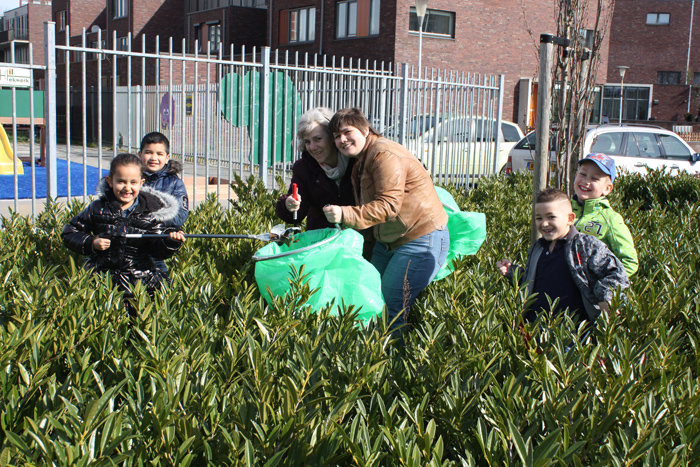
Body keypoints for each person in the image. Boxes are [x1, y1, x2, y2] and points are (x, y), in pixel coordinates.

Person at [323, 108, 450, 331]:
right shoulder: (362, 157)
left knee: (390, 312)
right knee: (369, 301)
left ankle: (393, 364)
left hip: (419, 239)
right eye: (336, 136)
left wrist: (345, 214)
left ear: (364, 129)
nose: (342, 140)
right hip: (390, 241)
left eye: (346, 132)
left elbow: (389, 205)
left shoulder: (383, 155)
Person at [62, 153, 185, 316]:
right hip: (103, 283)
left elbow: (157, 250)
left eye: (133, 182)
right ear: (110, 182)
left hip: (141, 285)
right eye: (121, 181)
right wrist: (91, 242)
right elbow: (70, 232)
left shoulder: (151, 214)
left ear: (141, 183)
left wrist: (170, 241)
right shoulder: (97, 208)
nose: (127, 188)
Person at [496, 187, 629, 325]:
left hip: (573, 332)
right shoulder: (537, 248)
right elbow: (533, 282)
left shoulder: (585, 245)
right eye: (539, 218)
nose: (544, 223)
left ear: (570, 219)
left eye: (551, 217)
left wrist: (606, 297)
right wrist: (513, 272)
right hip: (536, 328)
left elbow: (617, 273)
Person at [276, 107, 373, 259]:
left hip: (361, 244)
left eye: (317, 139)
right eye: (307, 142)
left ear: (332, 136)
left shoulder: (357, 160)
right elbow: (296, 216)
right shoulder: (303, 168)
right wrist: (288, 205)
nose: (312, 147)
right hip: (322, 248)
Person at [572, 153, 638, 277]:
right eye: (583, 174)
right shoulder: (563, 209)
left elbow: (630, 261)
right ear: (576, 176)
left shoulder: (610, 219)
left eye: (595, 178)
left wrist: (601, 283)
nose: (586, 181)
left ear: (607, 188)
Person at [139, 131, 189, 272]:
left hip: (159, 245)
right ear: (140, 154)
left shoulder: (175, 183)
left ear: (167, 158)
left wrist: (147, 220)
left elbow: (180, 216)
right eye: (148, 152)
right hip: (131, 243)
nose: (154, 158)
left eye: (159, 154)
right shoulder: (132, 178)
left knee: (160, 285)